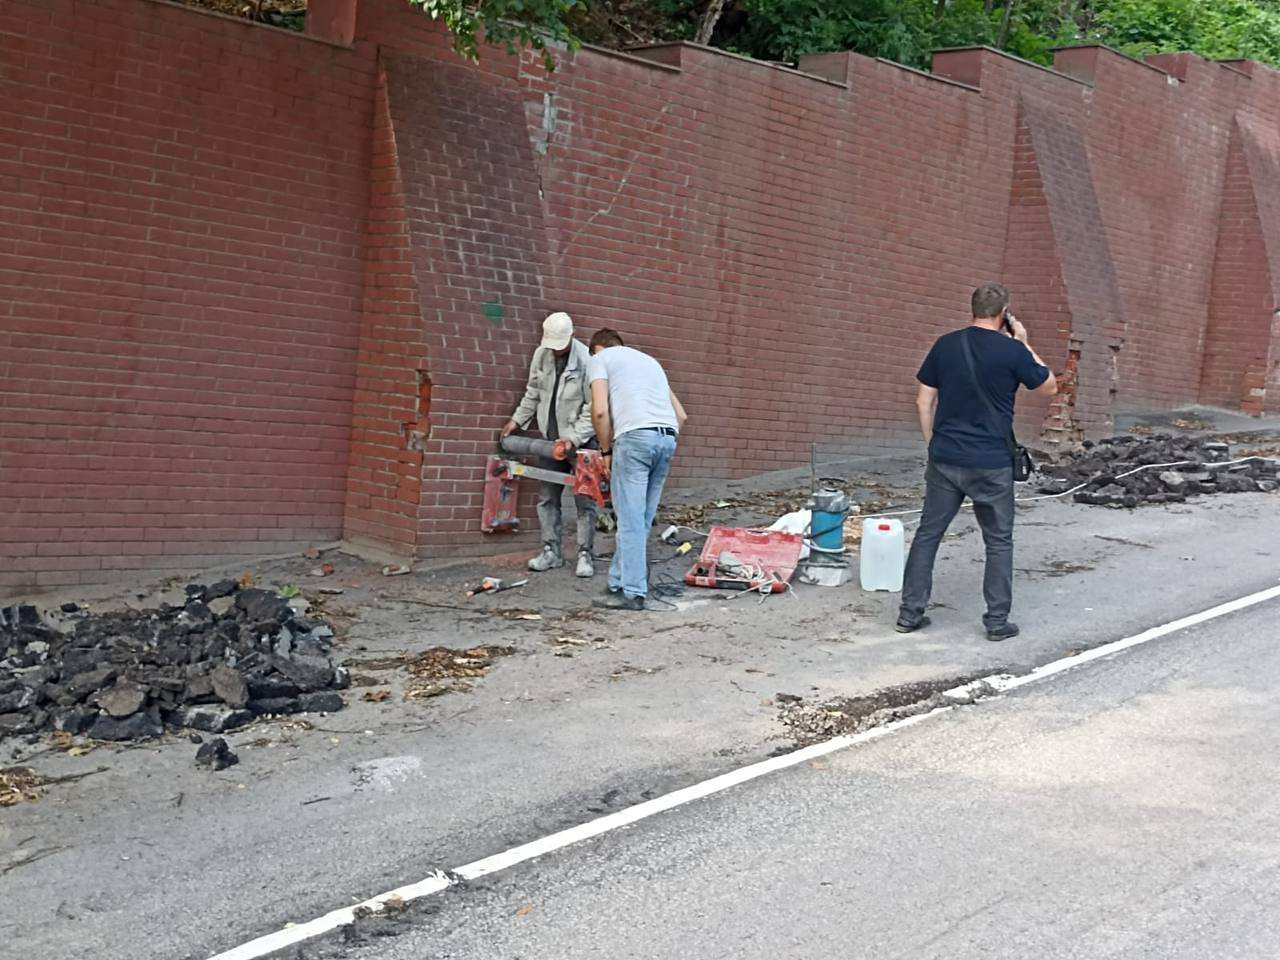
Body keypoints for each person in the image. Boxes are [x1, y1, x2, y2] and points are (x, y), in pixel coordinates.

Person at [896, 282, 1058, 641]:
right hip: (992, 462)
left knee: (928, 534)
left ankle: (909, 613)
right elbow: (1049, 387)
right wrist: (1023, 342)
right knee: (998, 540)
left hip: (946, 458)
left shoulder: (945, 345)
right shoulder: (1012, 351)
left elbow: (923, 402)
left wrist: (933, 445)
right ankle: (997, 622)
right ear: (1005, 315)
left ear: (972, 309)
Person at [586, 329, 688, 611]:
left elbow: (599, 412)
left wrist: (606, 451)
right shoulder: (650, 363)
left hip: (634, 438)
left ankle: (632, 593)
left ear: (597, 348)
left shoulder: (600, 359)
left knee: (629, 521)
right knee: (640, 519)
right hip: (667, 437)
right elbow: (681, 415)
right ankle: (618, 582)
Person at [502, 312, 598, 578]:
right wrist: (516, 421)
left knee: (584, 500)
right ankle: (551, 551)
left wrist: (574, 438)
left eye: (560, 345)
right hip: (549, 441)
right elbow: (533, 392)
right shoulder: (541, 355)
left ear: (572, 336)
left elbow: (593, 407)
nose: (556, 350)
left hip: (580, 442)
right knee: (547, 497)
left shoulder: (586, 360)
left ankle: (585, 554)